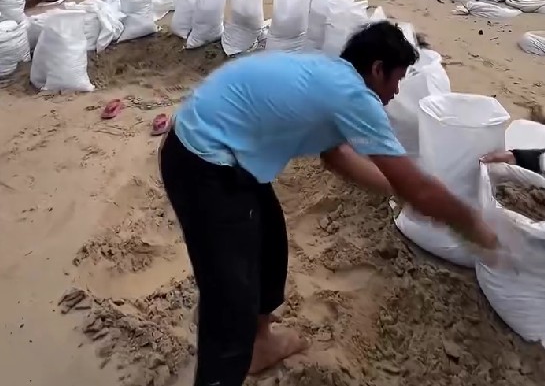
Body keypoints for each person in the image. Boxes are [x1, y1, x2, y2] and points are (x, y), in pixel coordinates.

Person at [159, 21, 499, 386]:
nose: (396, 92)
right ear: (377, 69)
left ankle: (260, 345)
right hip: (202, 162)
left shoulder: (331, 75)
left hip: (223, 151)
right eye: (396, 81)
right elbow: (418, 187)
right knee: (229, 303)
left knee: (270, 244)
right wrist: (474, 225)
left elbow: (335, 156)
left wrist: (401, 192)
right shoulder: (355, 96)